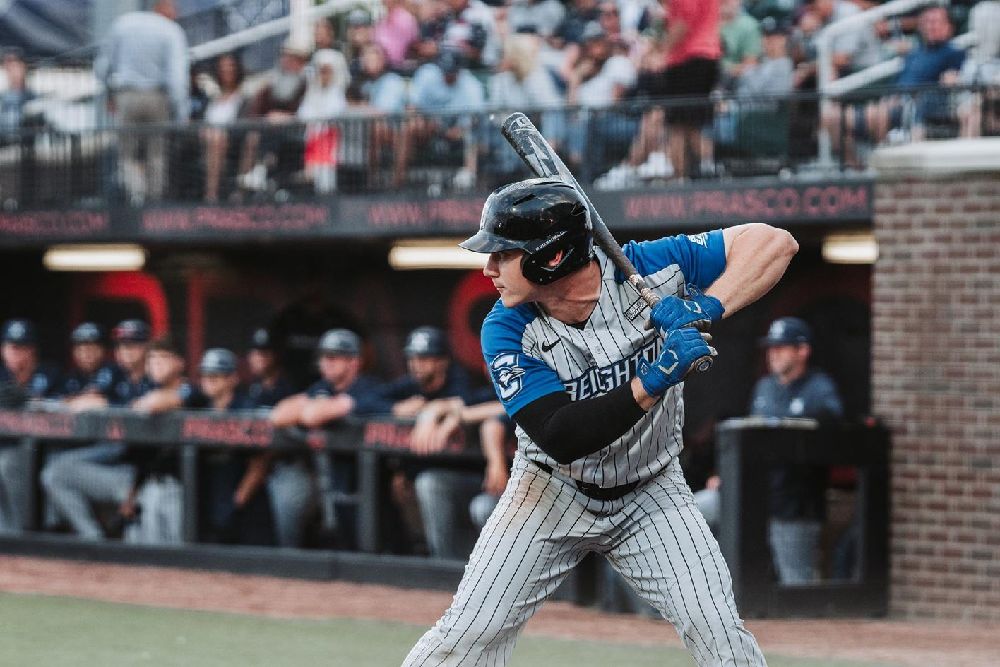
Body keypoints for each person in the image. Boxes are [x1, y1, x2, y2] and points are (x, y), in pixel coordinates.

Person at [400, 178, 798, 666]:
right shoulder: (506, 326)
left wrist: (704, 307)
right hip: (550, 491)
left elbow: (776, 242)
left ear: (551, 257)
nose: (488, 269)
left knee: (717, 629)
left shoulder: (651, 265)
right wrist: (654, 378)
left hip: (652, 492)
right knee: (470, 631)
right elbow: (561, 435)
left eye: (502, 255)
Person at [270, 328, 389, 548]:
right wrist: (315, 406)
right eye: (324, 357)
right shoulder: (323, 388)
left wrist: (315, 408)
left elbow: (312, 415)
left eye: (334, 357)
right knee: (289, 490)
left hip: (367, 483)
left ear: (354, 362)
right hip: (330, 479)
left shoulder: (369, 388)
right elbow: (278, 415)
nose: (326, 363)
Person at [40, 319, 154, 539]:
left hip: (146, 479)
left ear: (148, 348)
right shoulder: (122, 380)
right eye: (121, 346)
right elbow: (90, 400)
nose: (126, 351)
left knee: (150, 550)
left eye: (133, 345)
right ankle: (93, 540)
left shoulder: (153, 381)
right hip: (119, 472)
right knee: (54, 472)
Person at [753, 316, 843, 585]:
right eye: (771, 348)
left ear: (802, 351)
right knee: (702, 510)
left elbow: (832, 421)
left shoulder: (819, 387)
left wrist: (793, 423)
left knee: (795, 584)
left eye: (781, 347)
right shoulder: (764, 387)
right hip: (755, 497)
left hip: (795, 503)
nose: (773, 353)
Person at [95, 0, 188, 203]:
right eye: (174, 7)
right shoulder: (171, 30)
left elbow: (102, 67)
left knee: (126, 154)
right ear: (162, 6)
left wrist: (110, 94)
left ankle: (136, 196)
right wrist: (181, 113)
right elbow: (177, 77)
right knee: (157, 153)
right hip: (157, 97)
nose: (177, 12)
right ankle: (153, 202)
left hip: (126, 96)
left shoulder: (123, 23)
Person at [392, 48, 485, 190]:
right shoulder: (427, 74)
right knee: (409, 127)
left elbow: (472, 122)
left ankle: (469, 181)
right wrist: (420, 120)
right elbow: (411, 107)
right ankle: (397, 183)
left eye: (452, 72)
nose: (447, 75)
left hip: (457, 133)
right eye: (445, 71)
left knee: (473, 137)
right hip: (428, 127)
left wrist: (452, 130)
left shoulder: (471, 86)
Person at [0, 318, 62, 533]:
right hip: (8, 447)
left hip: (45, 450)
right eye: (13, 347)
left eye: (23, 347)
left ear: (33, 351)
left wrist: (30, 399)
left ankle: (23, 534)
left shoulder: (50, 373)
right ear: (3, 350)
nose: (17, 354)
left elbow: (67, 406)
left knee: (9, 464)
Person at [662, 0, 722, 180]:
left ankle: (679, 179)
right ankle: (711, 170)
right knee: (693, 127)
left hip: (687, 59)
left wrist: (662, 53)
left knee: (677, 127)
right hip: (709, 55)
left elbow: (683, 22)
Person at [201, 53, 246, 203]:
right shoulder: (211, 100)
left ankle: (211, 194)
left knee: (216, 139)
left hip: (230, 141)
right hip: (205, 140)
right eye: (222, 67)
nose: (226, 70)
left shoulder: (243, 99)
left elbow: (243, 125)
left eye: (230, 66)